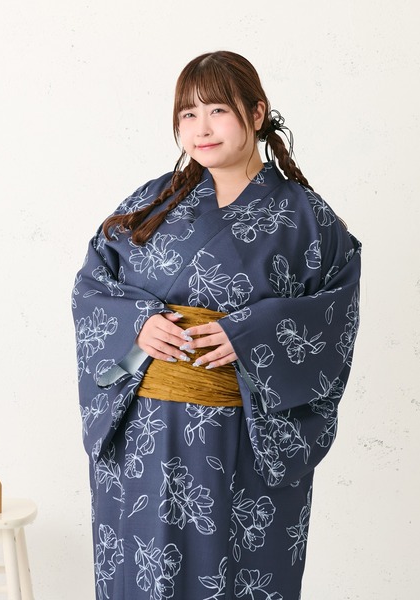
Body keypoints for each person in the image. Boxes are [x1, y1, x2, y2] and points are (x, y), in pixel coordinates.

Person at [72, 50, 361, 600]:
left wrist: (251, 335)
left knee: (236, 570)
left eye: (217, 111)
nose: (200, 129)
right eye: (188, 114)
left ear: (256, 114)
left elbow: (334, 314)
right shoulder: (152, 203)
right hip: (146, 431)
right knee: (146, 571)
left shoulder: (307, 218)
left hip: (246, 436)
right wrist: (137, 325)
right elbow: (93, 285)